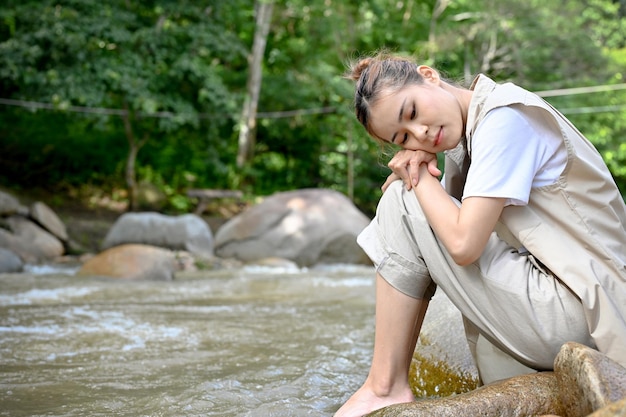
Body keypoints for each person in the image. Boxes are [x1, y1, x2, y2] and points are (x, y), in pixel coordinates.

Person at [334, 52, 626, 417]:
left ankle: (384, 386)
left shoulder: (505, 119)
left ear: (429, 76)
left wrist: (419, 175)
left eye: (411, 113)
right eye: (403, 138)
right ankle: (386, 383)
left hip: (584, 315)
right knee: (413, 199)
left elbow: (464, 244)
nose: (420, 134)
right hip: (563, 309)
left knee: (402, 197)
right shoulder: (469, 134)